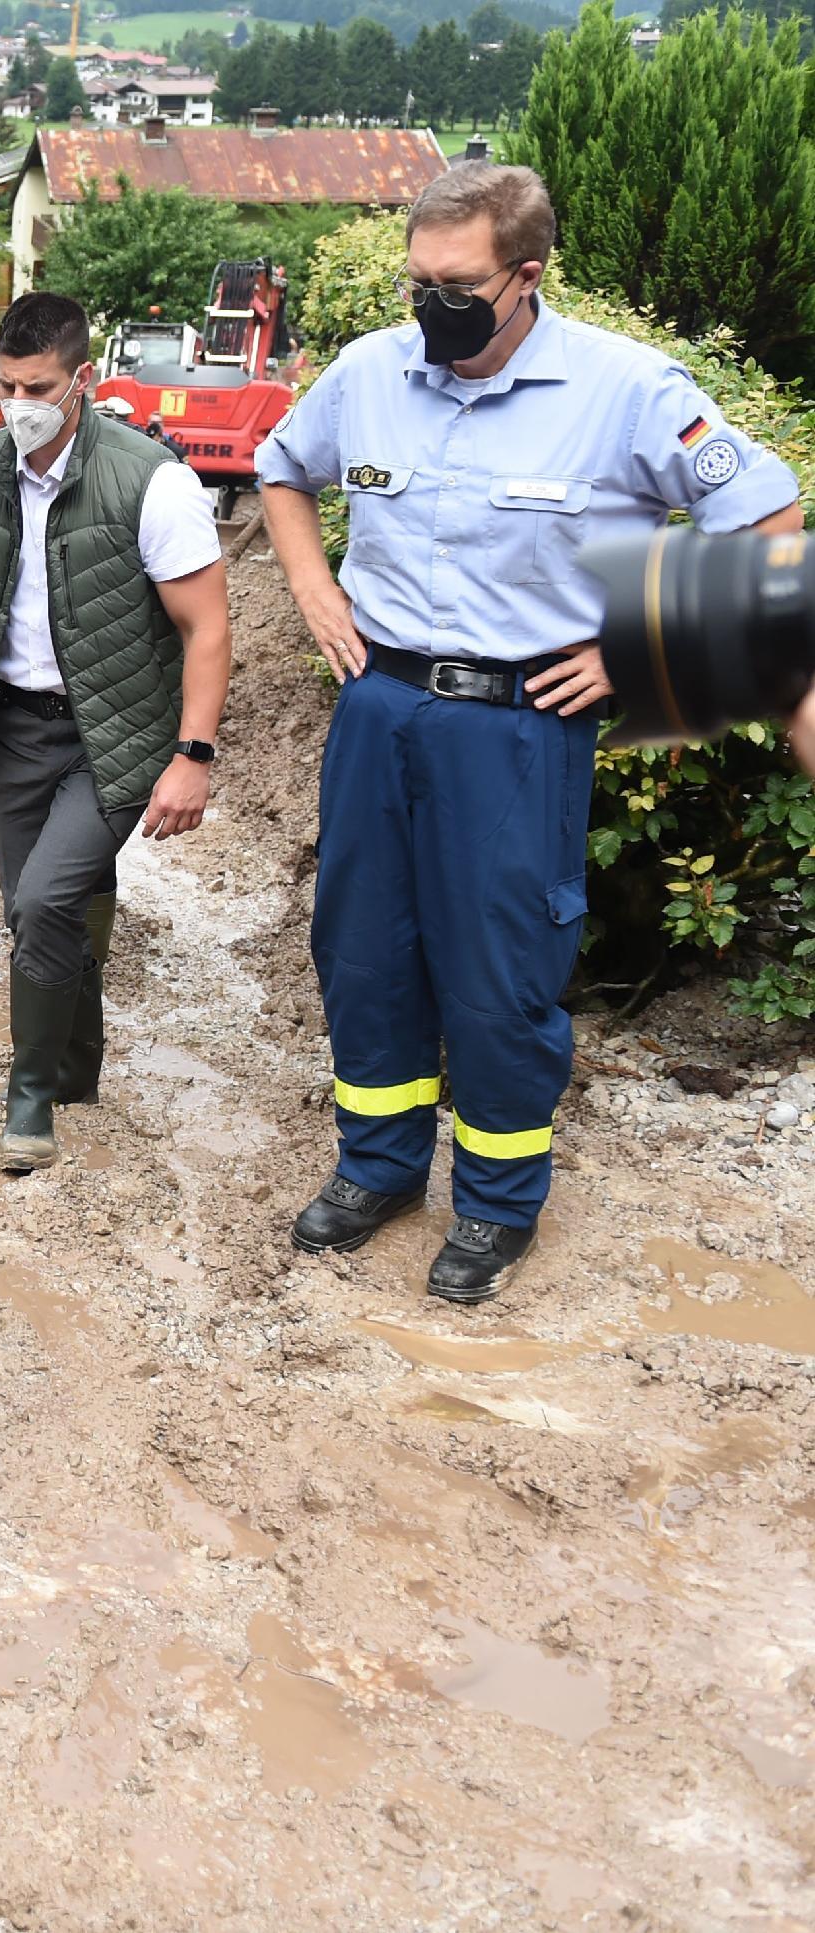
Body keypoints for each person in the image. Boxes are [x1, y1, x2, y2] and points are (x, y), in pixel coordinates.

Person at [255, 163, 805, 1304]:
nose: (429, 306)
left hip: (516, 729)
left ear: (526, 275)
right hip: (380, 707)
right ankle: (379, 1169)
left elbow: (767, 524)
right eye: (418, 281)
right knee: (362, 952)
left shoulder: (624, 389)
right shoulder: (368, 374)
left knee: (501, 973)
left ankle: (499, 1206)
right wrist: (312, 587)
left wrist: (643, 655)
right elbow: (280, 470)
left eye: (456, 284)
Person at [0, 292, 231, 1173]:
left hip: (117, 732)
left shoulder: (151, 480)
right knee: (42, 918)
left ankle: (29, 1098)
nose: (21, 402)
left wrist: (193, 755)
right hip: (16, 727)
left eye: (41, 386)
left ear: (82, 380)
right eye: (9, 384)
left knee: (43, 901)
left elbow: (206, 627)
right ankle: (77, 1064)